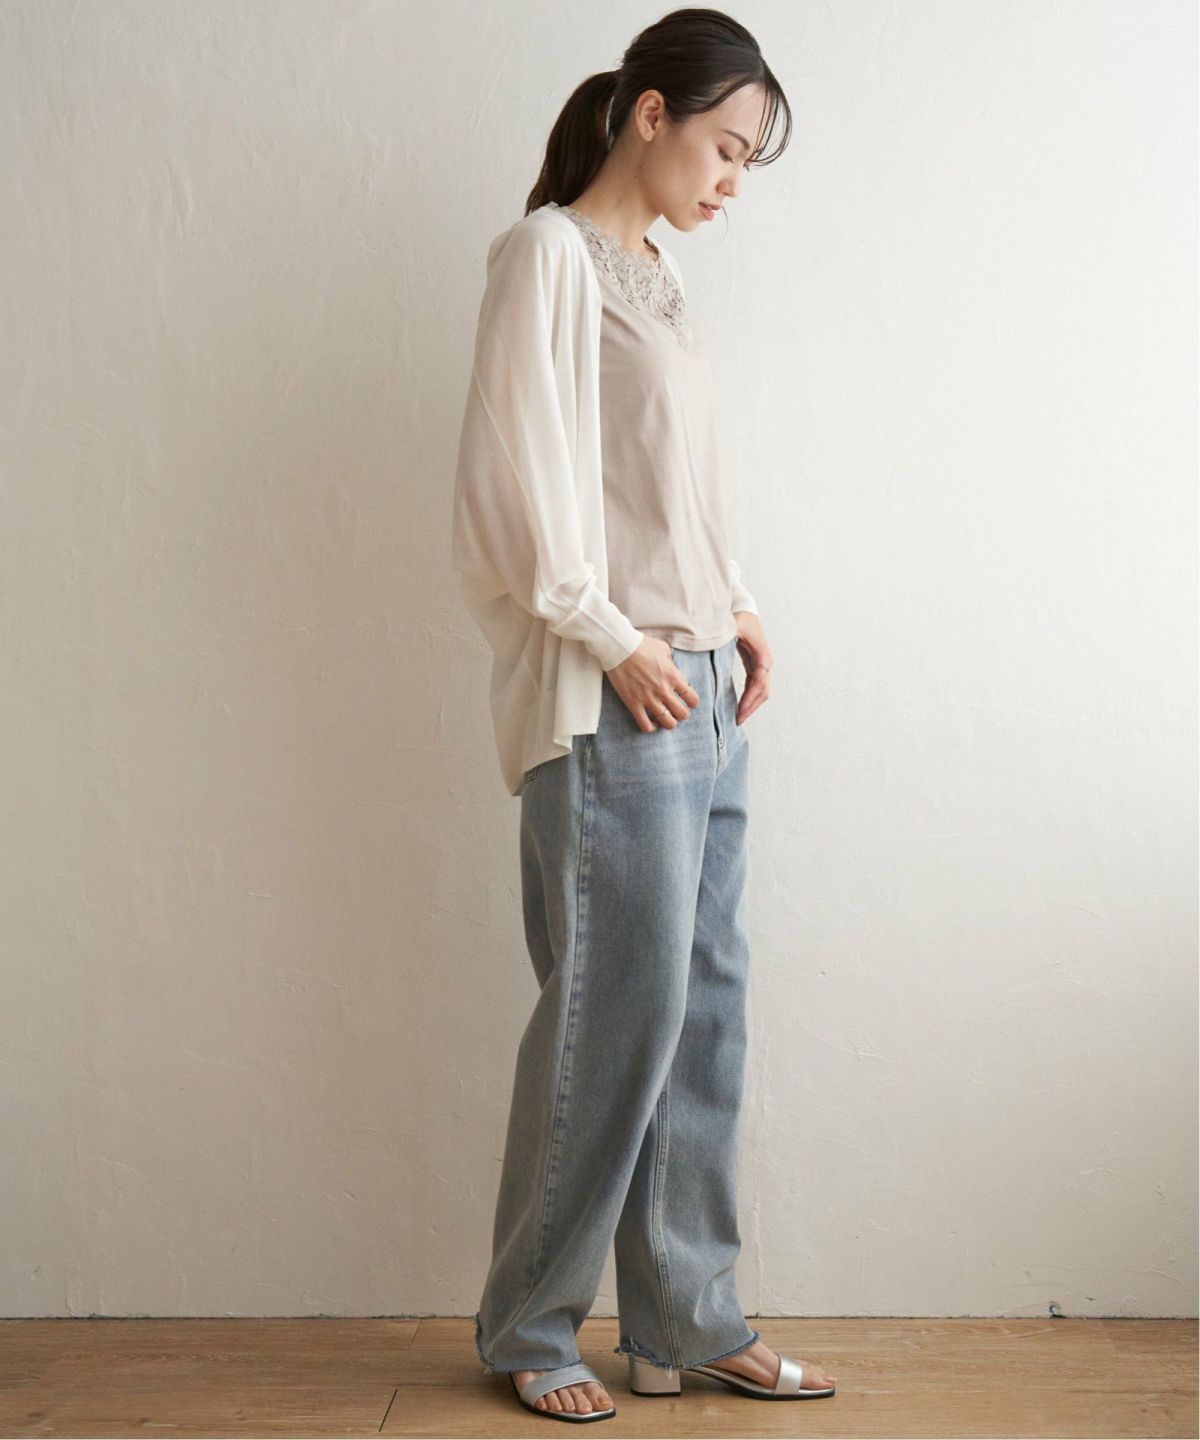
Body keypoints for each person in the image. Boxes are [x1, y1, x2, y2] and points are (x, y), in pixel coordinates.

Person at [450, 7, 837, 1423]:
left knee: (704, 1008)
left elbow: (663, 487)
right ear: (651, 113)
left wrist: (737, 604)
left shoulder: (657, 279)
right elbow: (506, 492)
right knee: (612, 1013)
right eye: (726, 146)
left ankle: (686, 1317)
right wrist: (615, 641)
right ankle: (529, 1326)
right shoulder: (546, 258)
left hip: (703, 682)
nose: (732, 179)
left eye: (750, 160)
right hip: (616, 689)